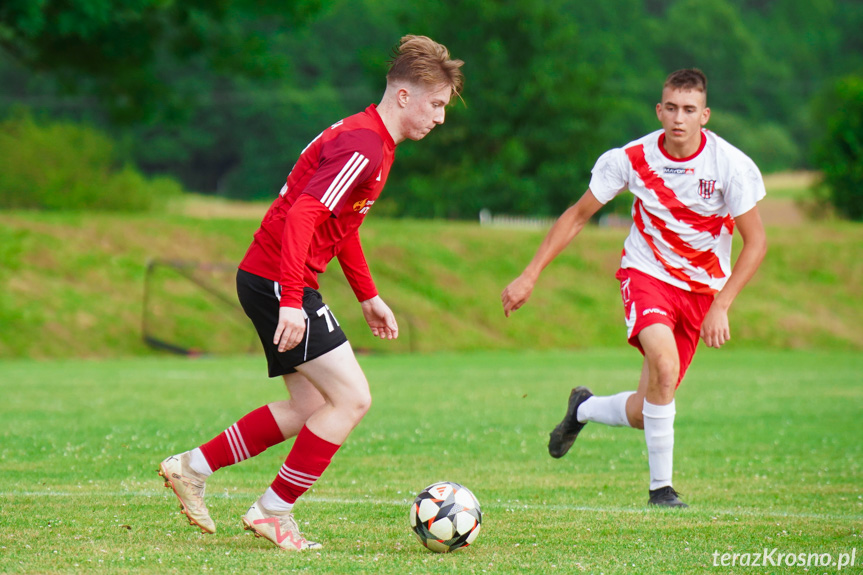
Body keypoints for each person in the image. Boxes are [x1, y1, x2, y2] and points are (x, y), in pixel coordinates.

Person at [158, 35, 464, 550]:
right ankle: (272, 511)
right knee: (352, 399)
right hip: (279, 277)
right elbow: (303, 214)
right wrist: (294, 299)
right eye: (435, 104)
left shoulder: (375, 142)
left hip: (268, 274)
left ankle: (191, 467)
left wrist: (368, 295)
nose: (439, 117)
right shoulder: (366, 144)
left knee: (309, 405)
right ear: (404, 95)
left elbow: (340, 226)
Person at [501, 69, 767, 508]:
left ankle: (582, 409)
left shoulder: (731, 166)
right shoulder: (631, 158)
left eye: (689, 110)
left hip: (701, 292)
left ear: (705, 115)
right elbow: (577, 215)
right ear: (659, 110)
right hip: (647, 277)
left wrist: (722, 305)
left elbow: (756, 242)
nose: (679, 118)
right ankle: (661, 491)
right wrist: (530, 273)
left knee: (647, 412)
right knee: (663, 365)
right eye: (671, 108)